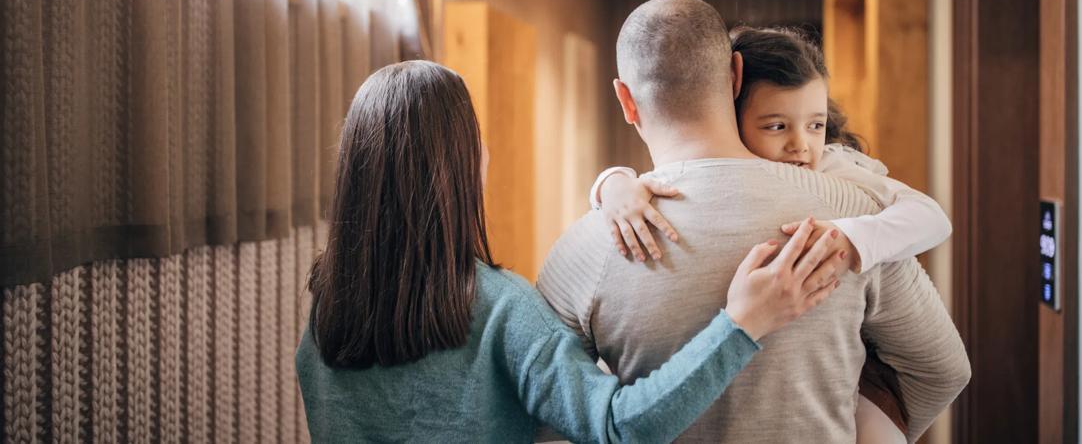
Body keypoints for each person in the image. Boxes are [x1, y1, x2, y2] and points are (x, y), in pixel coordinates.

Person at [295, 60, 846, 444]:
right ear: (457, 164)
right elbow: (619, 427)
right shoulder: (497, 308)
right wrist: (742, 324)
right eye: (476, 135)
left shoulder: (326, 313)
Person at [536, 0, 971, 443]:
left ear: (626, 100)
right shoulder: (850, 217)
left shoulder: (588, 245)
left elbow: (546, 416)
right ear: (735, 76)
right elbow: (941, 369)